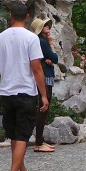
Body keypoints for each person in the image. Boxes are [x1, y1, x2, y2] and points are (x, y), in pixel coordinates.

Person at [0, 2, 49, 171]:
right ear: (28, 16)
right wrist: (44, 95)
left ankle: (22, 170)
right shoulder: (31, 38)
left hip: (6, 92)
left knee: (14, 133)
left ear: (10, 16)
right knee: (23, 134)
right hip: (25, 91)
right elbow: (37, 68)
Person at [30, 17, 58, 153]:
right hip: (45, 78)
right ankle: (39, 142)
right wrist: (51, 44)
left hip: (43, 77)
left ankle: (39, 140)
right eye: (45, 25)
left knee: (42, 109)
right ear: (41, 29)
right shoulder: (43, 42)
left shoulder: (38, 41)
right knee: (43, 108)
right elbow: (55, 58)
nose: (48, 27)